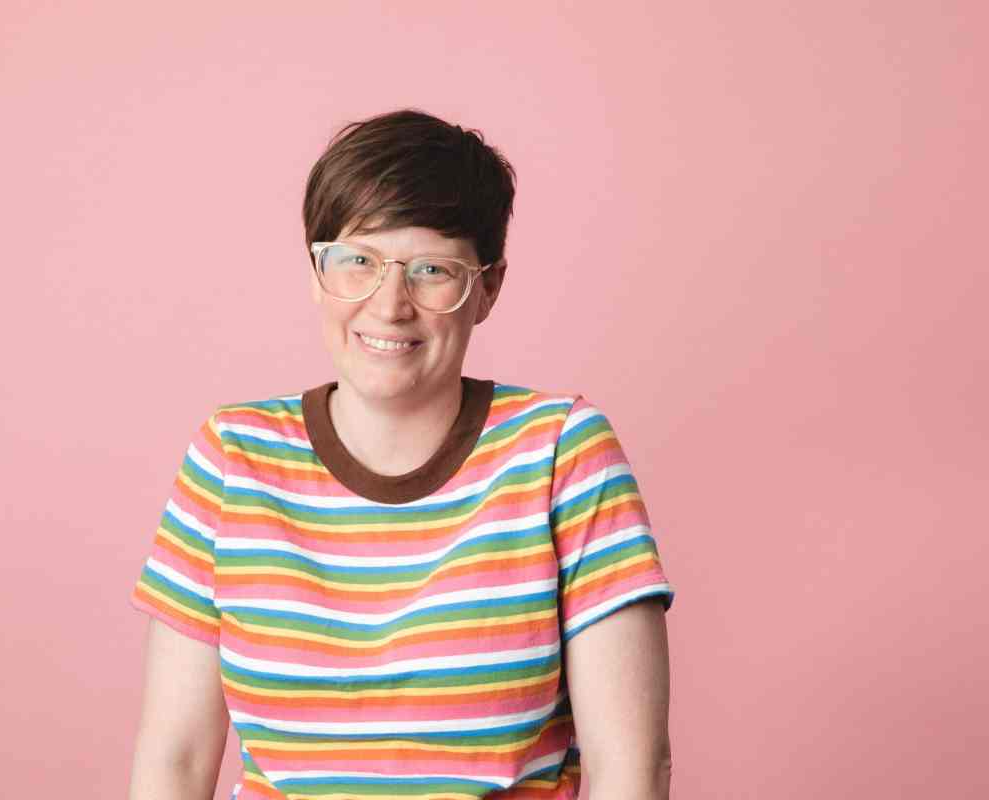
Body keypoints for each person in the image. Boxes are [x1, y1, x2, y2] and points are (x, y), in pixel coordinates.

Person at [126, 108, 676, 800]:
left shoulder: (562, 452)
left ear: (488, 287)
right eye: (357, 260)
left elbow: (632, 765)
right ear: (316, 270)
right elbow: (174, 758)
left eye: (431, 269)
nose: (389, 304)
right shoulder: (231, 458)